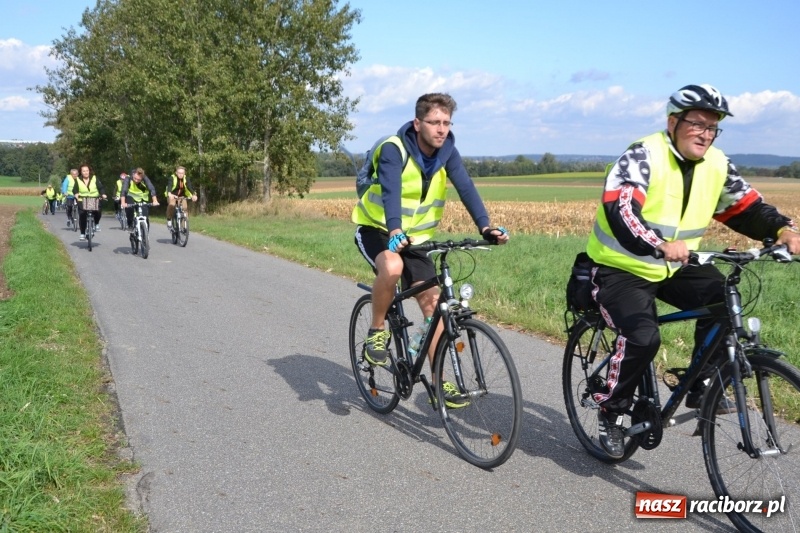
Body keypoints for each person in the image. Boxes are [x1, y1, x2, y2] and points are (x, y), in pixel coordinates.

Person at [585, 84, 800, 458]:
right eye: (697, 123)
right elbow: (621, 210)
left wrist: (782, 228)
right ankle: (611, 410)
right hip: (622, 266)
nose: (705, 133)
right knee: (643, 338)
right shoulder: (642, 155)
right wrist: (657, 243)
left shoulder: (717, 163)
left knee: (724, 301)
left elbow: (746, 208)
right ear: (673, 122)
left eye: (713, 126)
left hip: (677, 267)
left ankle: (702, 388)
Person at [351, 92, 509, 408]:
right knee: (392, 268)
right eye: (434, 122)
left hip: (417, 241)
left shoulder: (447, 152)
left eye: (446, 123)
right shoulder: (395, 150)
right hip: (378, 231)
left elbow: (466, 187)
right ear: (417, 123)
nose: (441, 129)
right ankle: (376, 330)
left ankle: (439, 384)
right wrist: (394, 228)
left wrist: (485, 226)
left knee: (435, 306)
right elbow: (392, 191)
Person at [73, 164, 108, 240]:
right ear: (81, 172)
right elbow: (75, 189)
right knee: (82, 214)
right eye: (84, 171)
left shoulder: (94, 178)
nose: (86, 172)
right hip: (82, 199)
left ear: (89, 171)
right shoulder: (78, 180)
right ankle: (82, 233)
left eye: (87, 171)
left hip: (94, 198)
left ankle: (96, 223)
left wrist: (103, 194)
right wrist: (76, 194)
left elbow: (100, 187)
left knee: (98, 211)